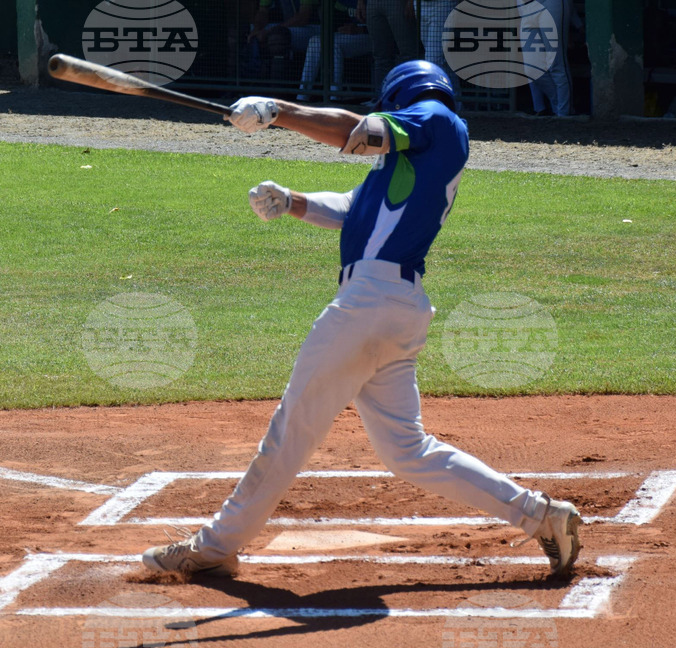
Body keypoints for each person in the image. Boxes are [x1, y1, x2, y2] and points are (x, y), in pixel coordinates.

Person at [141, 60, 582, 578]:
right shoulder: (412, 158)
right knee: (408, 450)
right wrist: (292, 202)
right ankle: (542, 516)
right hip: (394, 308)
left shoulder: (435, 121)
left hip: (368, 305)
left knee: (291, 431)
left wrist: (278, 112)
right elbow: (353, 208)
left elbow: (354, 131)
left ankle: (213, 548)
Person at [297, 1, 373, 102]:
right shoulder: (339, 3)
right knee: (315, 41)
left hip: (371, 37)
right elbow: (337, 20)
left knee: (333, 44)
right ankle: (302, 96)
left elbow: (383, 26)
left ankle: (334, 97)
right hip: (352, 37)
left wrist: (361, 29)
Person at [358, 0, 421, 107]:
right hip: (373, 3)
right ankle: (380, 99)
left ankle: (408, 97)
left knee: (408, 53)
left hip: (398, 3)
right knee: (380, 55)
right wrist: (360, 2)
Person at [248, 0, 322, 82]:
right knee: (249, 31)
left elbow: (304, 17)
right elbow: (263, 11)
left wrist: (269, 31)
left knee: (277, 37)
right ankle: (251, 82)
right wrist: (257, 29)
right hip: (286, 26)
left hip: (314, 28)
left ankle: (277, 89)